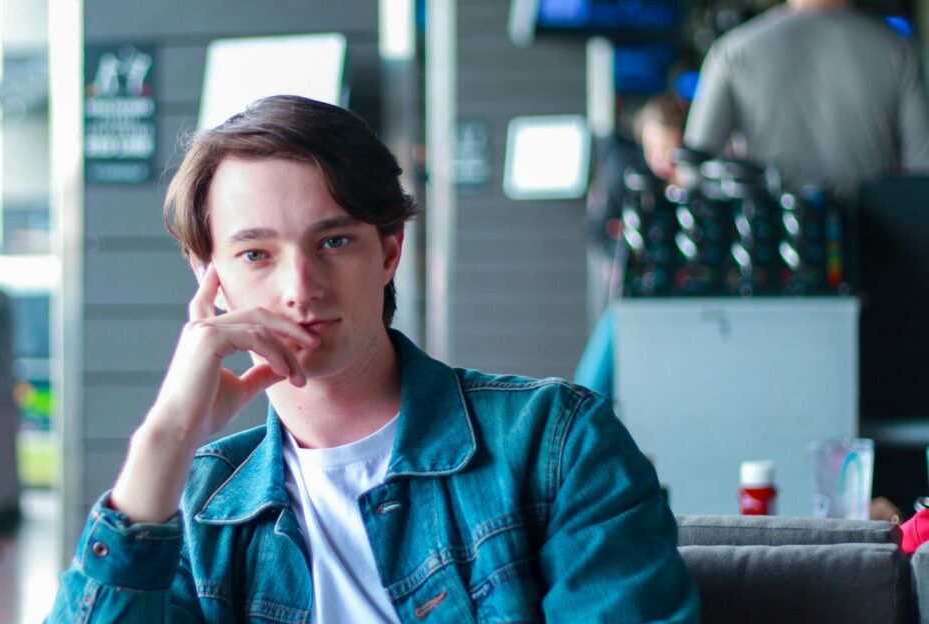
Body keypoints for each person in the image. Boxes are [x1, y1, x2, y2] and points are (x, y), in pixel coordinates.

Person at [48, 95, 700, 622]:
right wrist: (165, 437)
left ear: (389, 251)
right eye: (256, 254)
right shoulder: (195, 508)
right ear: (207, 274)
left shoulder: (555, 444)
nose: (299, 288)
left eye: (333, 241)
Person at [683, 0, 929, 197]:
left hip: (773, 241)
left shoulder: (732, 52)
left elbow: (693, 173)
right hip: (875, 244)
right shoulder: (899, 52)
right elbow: (922, 175)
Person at [576, 92, 689, 397]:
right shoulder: (627, 170)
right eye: (655, 149)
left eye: (671, 150)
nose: (661, 160)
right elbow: (598, 232)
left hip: (686, 301)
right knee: (592, 384)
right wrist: (631, 251)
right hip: (631, 295)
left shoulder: (697, 178)